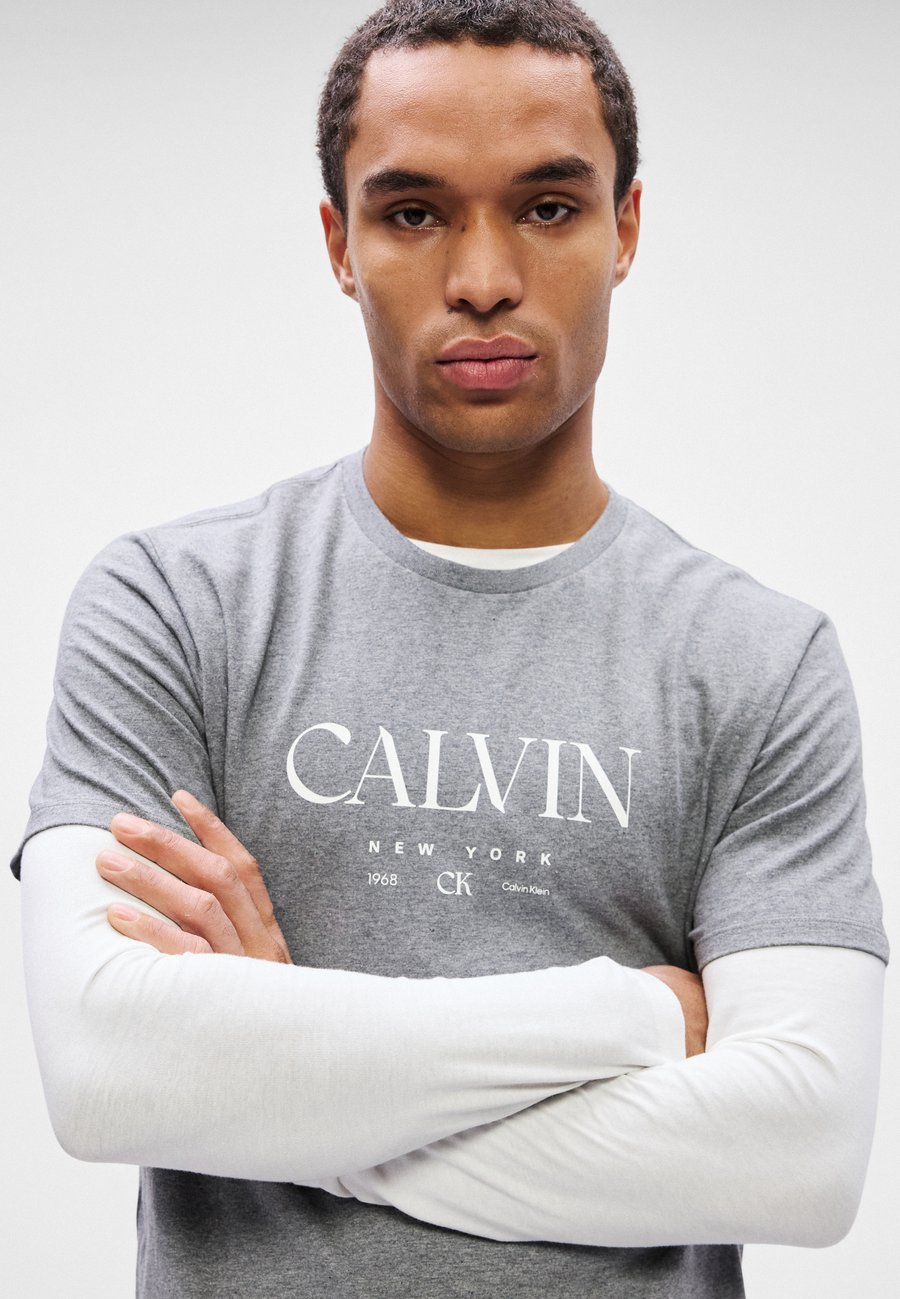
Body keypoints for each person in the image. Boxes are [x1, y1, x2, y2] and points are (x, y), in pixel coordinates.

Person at [12, 2, 888, 1297]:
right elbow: (107, 1075)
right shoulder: (176, 606)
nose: (483, 277)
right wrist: (632, 1016)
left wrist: (285, 1075)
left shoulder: (760, 659)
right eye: (415, 212)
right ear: (340, 243)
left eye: (548, 207)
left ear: (625, 229)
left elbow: (799, 1159)